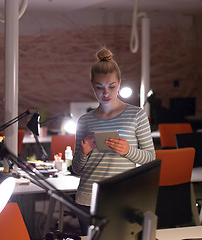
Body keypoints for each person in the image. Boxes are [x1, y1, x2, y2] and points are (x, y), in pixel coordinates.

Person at [71, 48, 155, 234]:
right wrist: (84, 153)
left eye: (111, 86)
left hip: (123, 198)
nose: (106, 92)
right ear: (92, 86)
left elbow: (150, 159)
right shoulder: (85, 120)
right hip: (87, 198)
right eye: (99, 87)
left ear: (119, 83)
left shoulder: (136, 115)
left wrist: (128, 151)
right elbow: (76, 169)